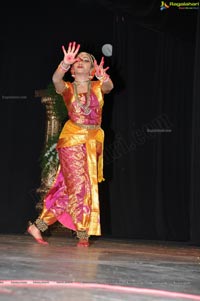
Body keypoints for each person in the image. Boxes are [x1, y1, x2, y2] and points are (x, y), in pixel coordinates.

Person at [27, 41, 114, 247]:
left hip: (93, 141)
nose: (81, 62)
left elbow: (109, 87)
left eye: (86, 60)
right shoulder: (66, 87)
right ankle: (83, 232)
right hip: (73, 140)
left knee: (69, 188)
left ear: (93, 70)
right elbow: (56, 79)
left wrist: (105, 77)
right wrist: (63, 65)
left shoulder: (97, 86)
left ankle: (38, 226)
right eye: (78, 60)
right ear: (73, 70)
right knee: (80, 185)